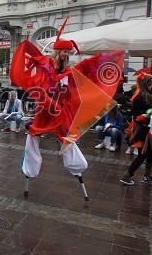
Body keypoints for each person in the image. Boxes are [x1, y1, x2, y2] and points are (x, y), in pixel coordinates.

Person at [10, 17, 124, 200]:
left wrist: (111, 57)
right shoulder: (44, 65)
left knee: (67, 136)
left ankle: (76, 166)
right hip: (46, 108)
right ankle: (30, 169)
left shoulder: (70, 71)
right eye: (64, 51)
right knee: (34, 133)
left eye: (68, 52)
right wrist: (47, 100)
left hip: (62, 109)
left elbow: (86, 67)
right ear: (57, 51)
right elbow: (37, 84)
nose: (66, 54)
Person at [120, 73, 152, 185]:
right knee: (142, 155)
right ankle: (126, 176)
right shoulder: (139, 98)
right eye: (150, 83)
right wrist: (147, 115)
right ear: (144, 84)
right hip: (142, 130)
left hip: (148, 129)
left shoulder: (148, 96)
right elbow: (137, 117)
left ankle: (147, 176)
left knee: (150, 154)